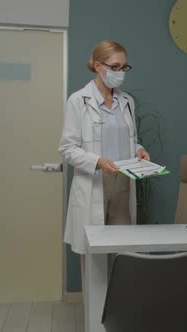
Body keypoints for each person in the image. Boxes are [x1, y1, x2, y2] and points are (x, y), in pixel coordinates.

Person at [58, 40, 150, 288]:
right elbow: (67, 149)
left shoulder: (127, 101)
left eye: (124, 67)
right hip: (95, 184)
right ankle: (95, 322)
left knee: (125, 254)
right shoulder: (78, 101)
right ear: (98, 66)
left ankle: (121, 314)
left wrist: (139, 150)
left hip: (123, 184)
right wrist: (97, 161)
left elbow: (129, 139)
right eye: (115, 67)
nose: (120, 73)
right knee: (94, 259)